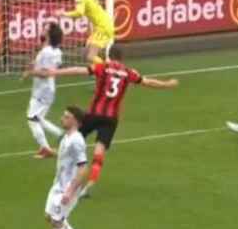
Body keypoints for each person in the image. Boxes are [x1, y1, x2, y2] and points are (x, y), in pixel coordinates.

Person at [49, 45, 178, 195]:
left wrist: (56, 72)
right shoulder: (128, 73)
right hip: (111, 118)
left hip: (94, 114)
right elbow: (148, 82)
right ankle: (89, 185)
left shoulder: (102, 67)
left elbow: (78, 70)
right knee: (99, 152)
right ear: (122, 58)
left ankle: (58, 154)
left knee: (72, 137)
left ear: (108, 55)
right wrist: (167, 84)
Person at [38, 106, 89, 229]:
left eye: (66, 117)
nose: (62, 118)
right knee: (49, 216)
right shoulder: (67, 137)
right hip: (57, 184)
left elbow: (83, 167)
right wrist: (51, 153)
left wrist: (70, 191)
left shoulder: (77, 141)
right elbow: (65, 156)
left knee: (57, 221)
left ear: (75, 121)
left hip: (68, 188)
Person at [21, 23, 65, 159]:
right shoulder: (56, 51)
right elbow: (50, 67)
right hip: (48, 89)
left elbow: (45, 73)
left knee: (32, 119)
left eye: (45, 29)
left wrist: (30, 72)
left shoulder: (46, 52)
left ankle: (46, 148)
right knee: (38, 118)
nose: (42, 30)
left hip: (43, 90)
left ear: (49, 35)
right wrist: (34, 65)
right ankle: (60, 135)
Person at [56, 0, 114, 65]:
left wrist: (63, 14)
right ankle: (102, 68)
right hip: (102, 24)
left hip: (102, 27)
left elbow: (79, 13)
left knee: (90, 56)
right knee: (86, 52)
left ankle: (109, 69)